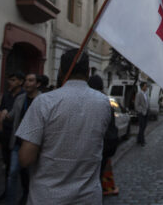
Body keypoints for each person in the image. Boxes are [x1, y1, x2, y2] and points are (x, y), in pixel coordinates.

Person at [16, 49, 112, 204]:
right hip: (88, 198)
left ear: (60, 71)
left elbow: (25, 158)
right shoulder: (103, 103)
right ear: (88, 72)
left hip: (47, 197)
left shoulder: (44, 102)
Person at [3, 74, 45, 205]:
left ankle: (29, 197)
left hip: (34, 144)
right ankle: (10, 201)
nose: (27, 83)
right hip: (18, 142)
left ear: (37, 84)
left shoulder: (43, 99)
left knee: (32, 174)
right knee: (13, 172)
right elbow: (12, 115)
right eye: (26, 80)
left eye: (31, 80)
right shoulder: (20, 99)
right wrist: (5, 115)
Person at [87, 75, 120, 196]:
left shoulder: (93, 102)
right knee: (98, 175)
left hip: (94, 146)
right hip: (104, 146)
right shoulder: (106, 102)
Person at [0, 72, 24, 203]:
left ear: (20, 82)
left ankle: (23, 192)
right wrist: (2, 113)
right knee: (8, 165)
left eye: (13, 79)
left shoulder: (23, 96)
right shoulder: (6, 95)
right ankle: (8, 192)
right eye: (10, 80)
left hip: (17, 135)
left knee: (18, 169)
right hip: (6, 133)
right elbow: (1, 110)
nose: (10, 82)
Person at [135, 82, 149, 147]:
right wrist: (141, 111)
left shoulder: (145, 94)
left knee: (143, 127)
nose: (146, 87)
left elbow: (146, 103)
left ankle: (138, 139)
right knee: (142, 127)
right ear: (142, 87)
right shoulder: (139, 94)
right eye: (145, 86)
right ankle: (142, 141)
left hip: (146, 113)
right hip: (141, 113)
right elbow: (136, 105)